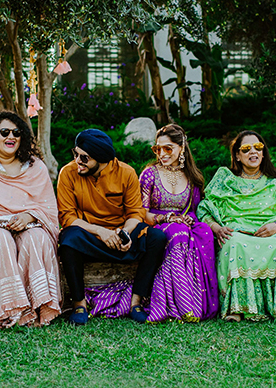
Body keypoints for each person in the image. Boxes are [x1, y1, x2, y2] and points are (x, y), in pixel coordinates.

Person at [86, 124, 218, 322]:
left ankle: (196, 299)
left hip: (182, 224)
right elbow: (141, 212)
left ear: (181, 148)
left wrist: (189, 218)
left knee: (204, 232)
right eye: (157, 149)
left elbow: (193, 209)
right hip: (156, 225)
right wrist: (167, 218)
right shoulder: (150, 174)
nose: (162, 154)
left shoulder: (192, 176)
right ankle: (182, 305)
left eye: (168, 148)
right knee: (177, 233)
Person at [197, 130, 276, 323]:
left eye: (258, 147)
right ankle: (236, 307)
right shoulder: (225, 179)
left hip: (269, 233)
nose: (253, 152)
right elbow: (204, 208)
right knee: (234, 244)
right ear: (237, 155)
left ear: (263, 152)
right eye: (246, 149)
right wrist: (217, 228)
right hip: (236, 232)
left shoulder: (275, 182)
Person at [57, 128, 167, 325]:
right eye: (76, 154)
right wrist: (101, 231)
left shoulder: (126, 173)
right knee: (68, 239)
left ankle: (136, 302)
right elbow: (67, 217)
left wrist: (124, 233)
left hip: (120, 236)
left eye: (84, 158)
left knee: (157, 239)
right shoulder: (68, 173)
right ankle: (79, 304)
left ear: (101, 159)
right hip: (89, 236)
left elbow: (135, 213)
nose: (77, 161)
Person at [0, 111, 61, 327]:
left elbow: (48, 208)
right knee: (0, 240)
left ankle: (37, 307)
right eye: (4, 132)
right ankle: (6, 310)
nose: (11, 137)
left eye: (16, 133)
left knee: (37, 238)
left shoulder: (35, 166)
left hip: (30, 224)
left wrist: (29, 216)